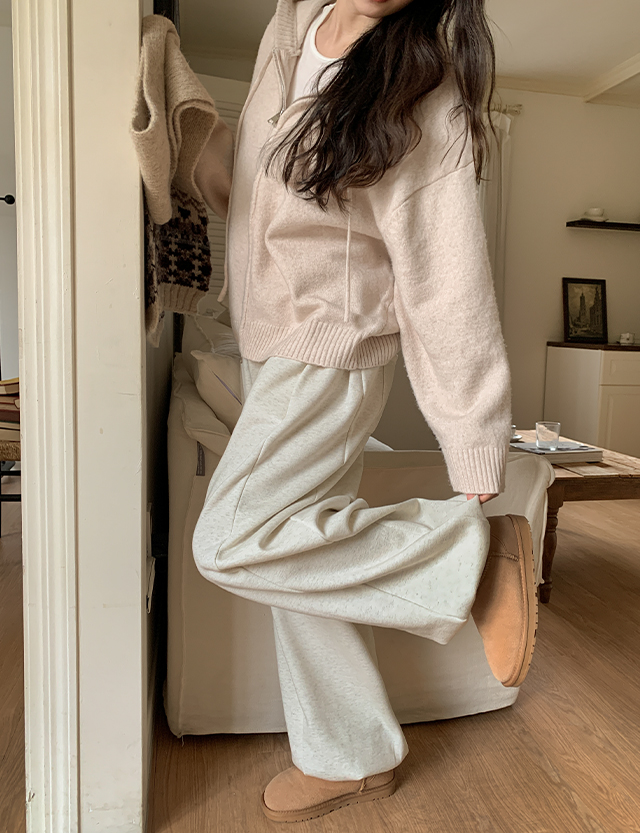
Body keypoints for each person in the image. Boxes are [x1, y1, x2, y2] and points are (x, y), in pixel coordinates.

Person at [192, 0, 537, 823]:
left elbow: (447, 282)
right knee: (303, 555)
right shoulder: (292, 23)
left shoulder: (424, 91)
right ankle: (348, 754)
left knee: (230, 540)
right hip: (269, 342)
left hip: (330, 349)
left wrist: (473, 440)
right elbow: (263, 179)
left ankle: (469, 556)